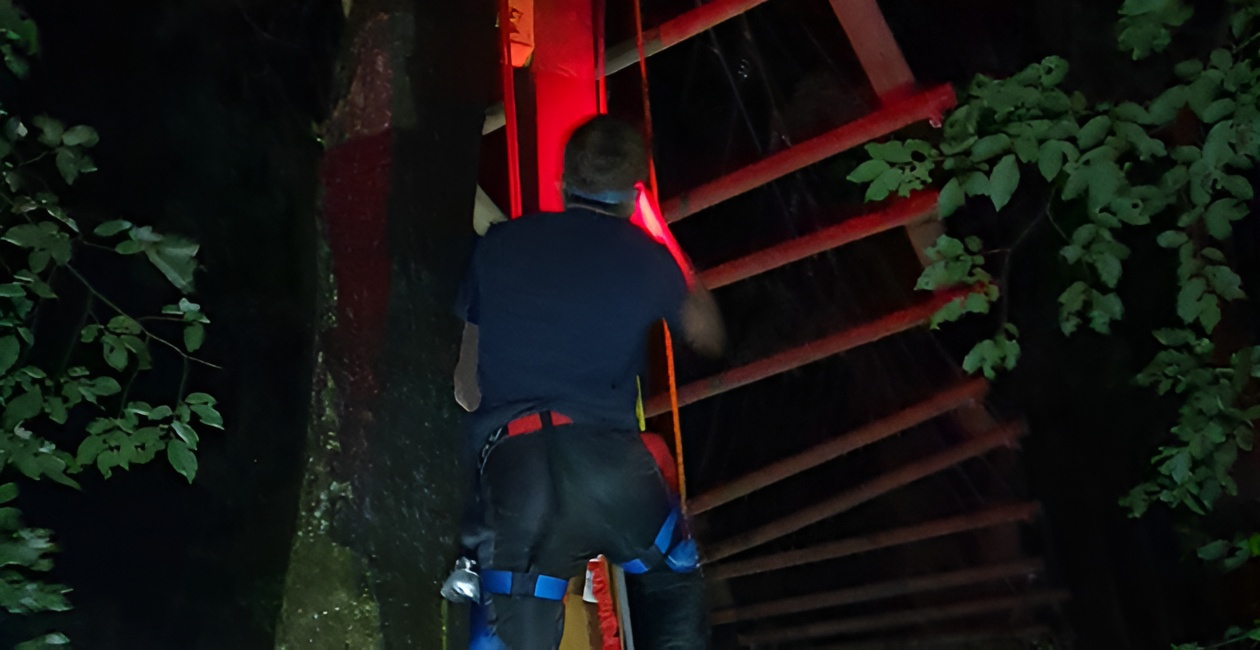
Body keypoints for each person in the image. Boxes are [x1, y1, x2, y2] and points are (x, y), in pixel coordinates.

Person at [446, 114, 723, 650]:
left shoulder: (499, 246)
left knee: (507, 630)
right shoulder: (649, 261)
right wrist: (662, 244)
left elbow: (466, 387)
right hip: (614, 476)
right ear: (633, 194)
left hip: (521, 480)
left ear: (561, 181)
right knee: (674, 575)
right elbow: (709, 335)